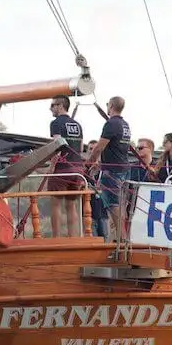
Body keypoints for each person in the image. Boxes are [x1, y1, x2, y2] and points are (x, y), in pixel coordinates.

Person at [86, 96, 131, 239]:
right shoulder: (125, 124)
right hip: (123, 168)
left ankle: (122, 239)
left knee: (113, 205)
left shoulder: (111, 124)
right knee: (120, 204)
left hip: (113, 171)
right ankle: (122, 237)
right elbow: (116, 147)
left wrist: (89, 162)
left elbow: (100, 147)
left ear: (111, 106)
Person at [47, 95, 84, 237]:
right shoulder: (77, 125)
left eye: (52, 105)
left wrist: (51, 167)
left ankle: (56, 238)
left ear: (60, 106)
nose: (50, 109)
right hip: (78, 168)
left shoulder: (55, 123)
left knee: (55, 204)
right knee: (71, 205)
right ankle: (73, 237)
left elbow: (57, 146)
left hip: (62, 168)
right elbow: (80, 147)